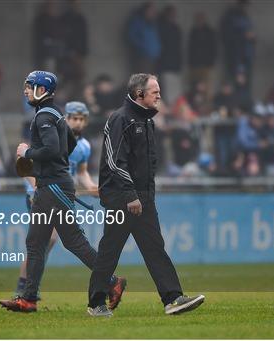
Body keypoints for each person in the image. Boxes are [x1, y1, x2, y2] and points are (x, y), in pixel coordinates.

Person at [0, 71, 125, 312]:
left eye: (29, 86)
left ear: (41, 89)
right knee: (37, 242)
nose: (25, 90)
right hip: (54, 185)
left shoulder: (43, 117)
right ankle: (29, 298)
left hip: (52, 187)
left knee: (72, 241)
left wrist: (27, 153)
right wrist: (53, 167)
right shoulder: (55, 113)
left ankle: (112, 282)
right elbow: (70, 145)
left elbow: (52, 149)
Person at [87, 73, 205, 317]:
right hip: (123, 197)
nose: (160, 95)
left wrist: (144, 196)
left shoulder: (146, 121)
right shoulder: (121, 119)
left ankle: (173, 298)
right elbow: (114, 162)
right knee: (110, 250)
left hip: (142, 198)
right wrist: (131, 195)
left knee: (154, 248)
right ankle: (95, 303)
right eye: (155, 91)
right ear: (139, 94)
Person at [13, 100, 99, 297]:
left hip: (59, 192)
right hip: (40, 194)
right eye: (74, 118)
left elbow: (82, 173)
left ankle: (27, 289)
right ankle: (25, 287)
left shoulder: (83, 145)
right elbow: (26, 166)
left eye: (82, 119)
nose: (78, 123)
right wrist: (38, 188)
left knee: (47, 242)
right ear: (66, 118)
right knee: (47, 240)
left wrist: (92, 187)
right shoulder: (49, 135)